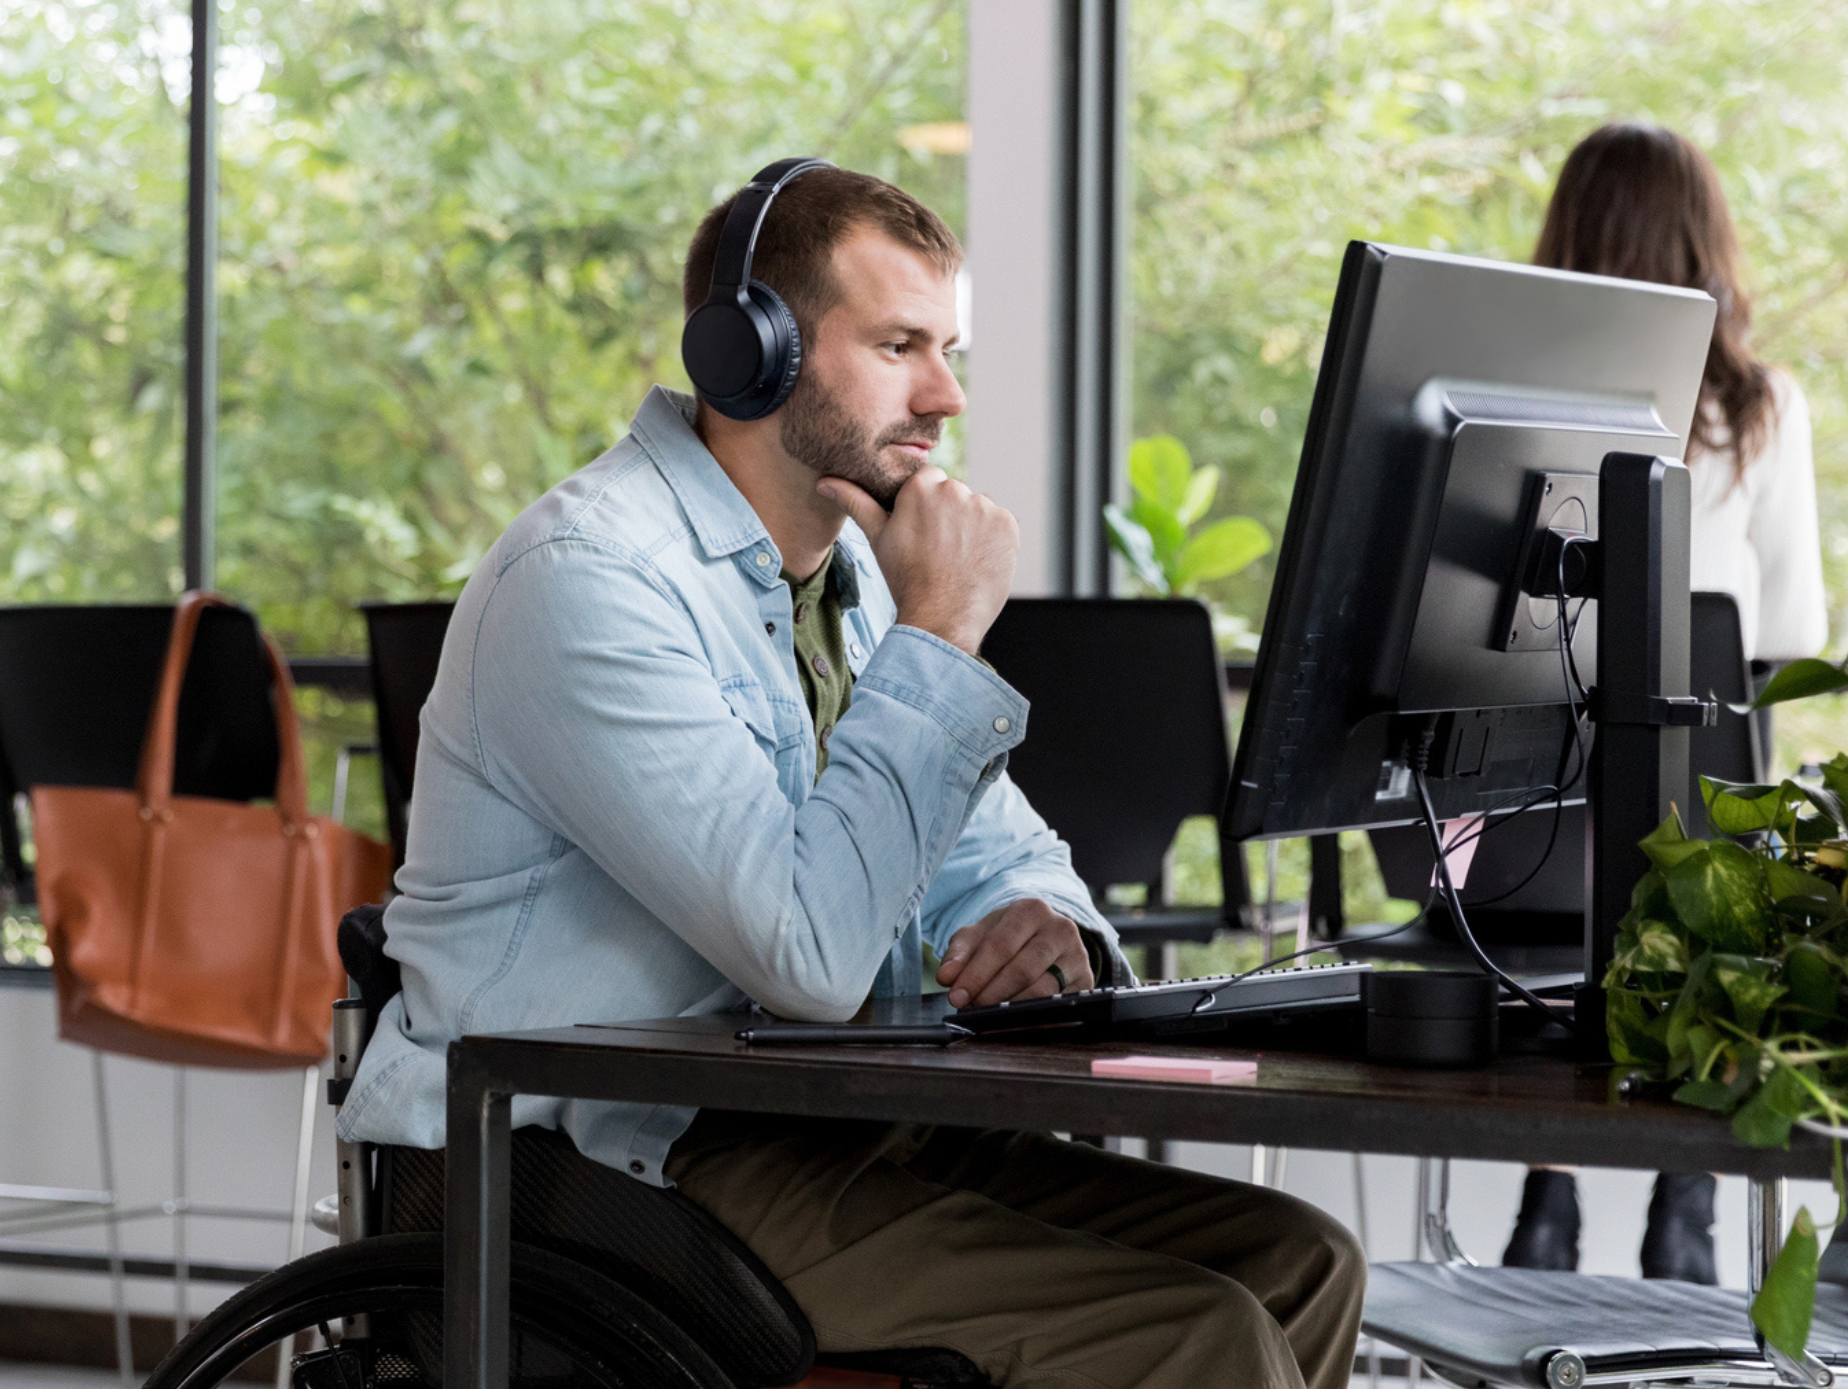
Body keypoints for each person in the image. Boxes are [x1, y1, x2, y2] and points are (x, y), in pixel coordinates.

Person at [336, 161, 1365, 1388]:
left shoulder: (854, 579)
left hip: (822, 1125)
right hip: (589, 1165)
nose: (946, 395)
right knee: (1198, 1335)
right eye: (899, 345)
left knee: (1298, 1261)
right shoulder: (589, 581)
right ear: (748, 354)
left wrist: (1046, 930)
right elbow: (808, 956)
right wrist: (939, 641)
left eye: (950, 347)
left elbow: (997, 845)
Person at [1503, 122, 1829, 1284]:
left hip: (1539, 815)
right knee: (1727, 867)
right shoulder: (1761, 407)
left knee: (1592, 887)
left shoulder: (1519, 399)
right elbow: (1787, 634)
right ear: (1708, 237)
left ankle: (1546, 1197)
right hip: (1705, 820)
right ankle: (1685, 1197)